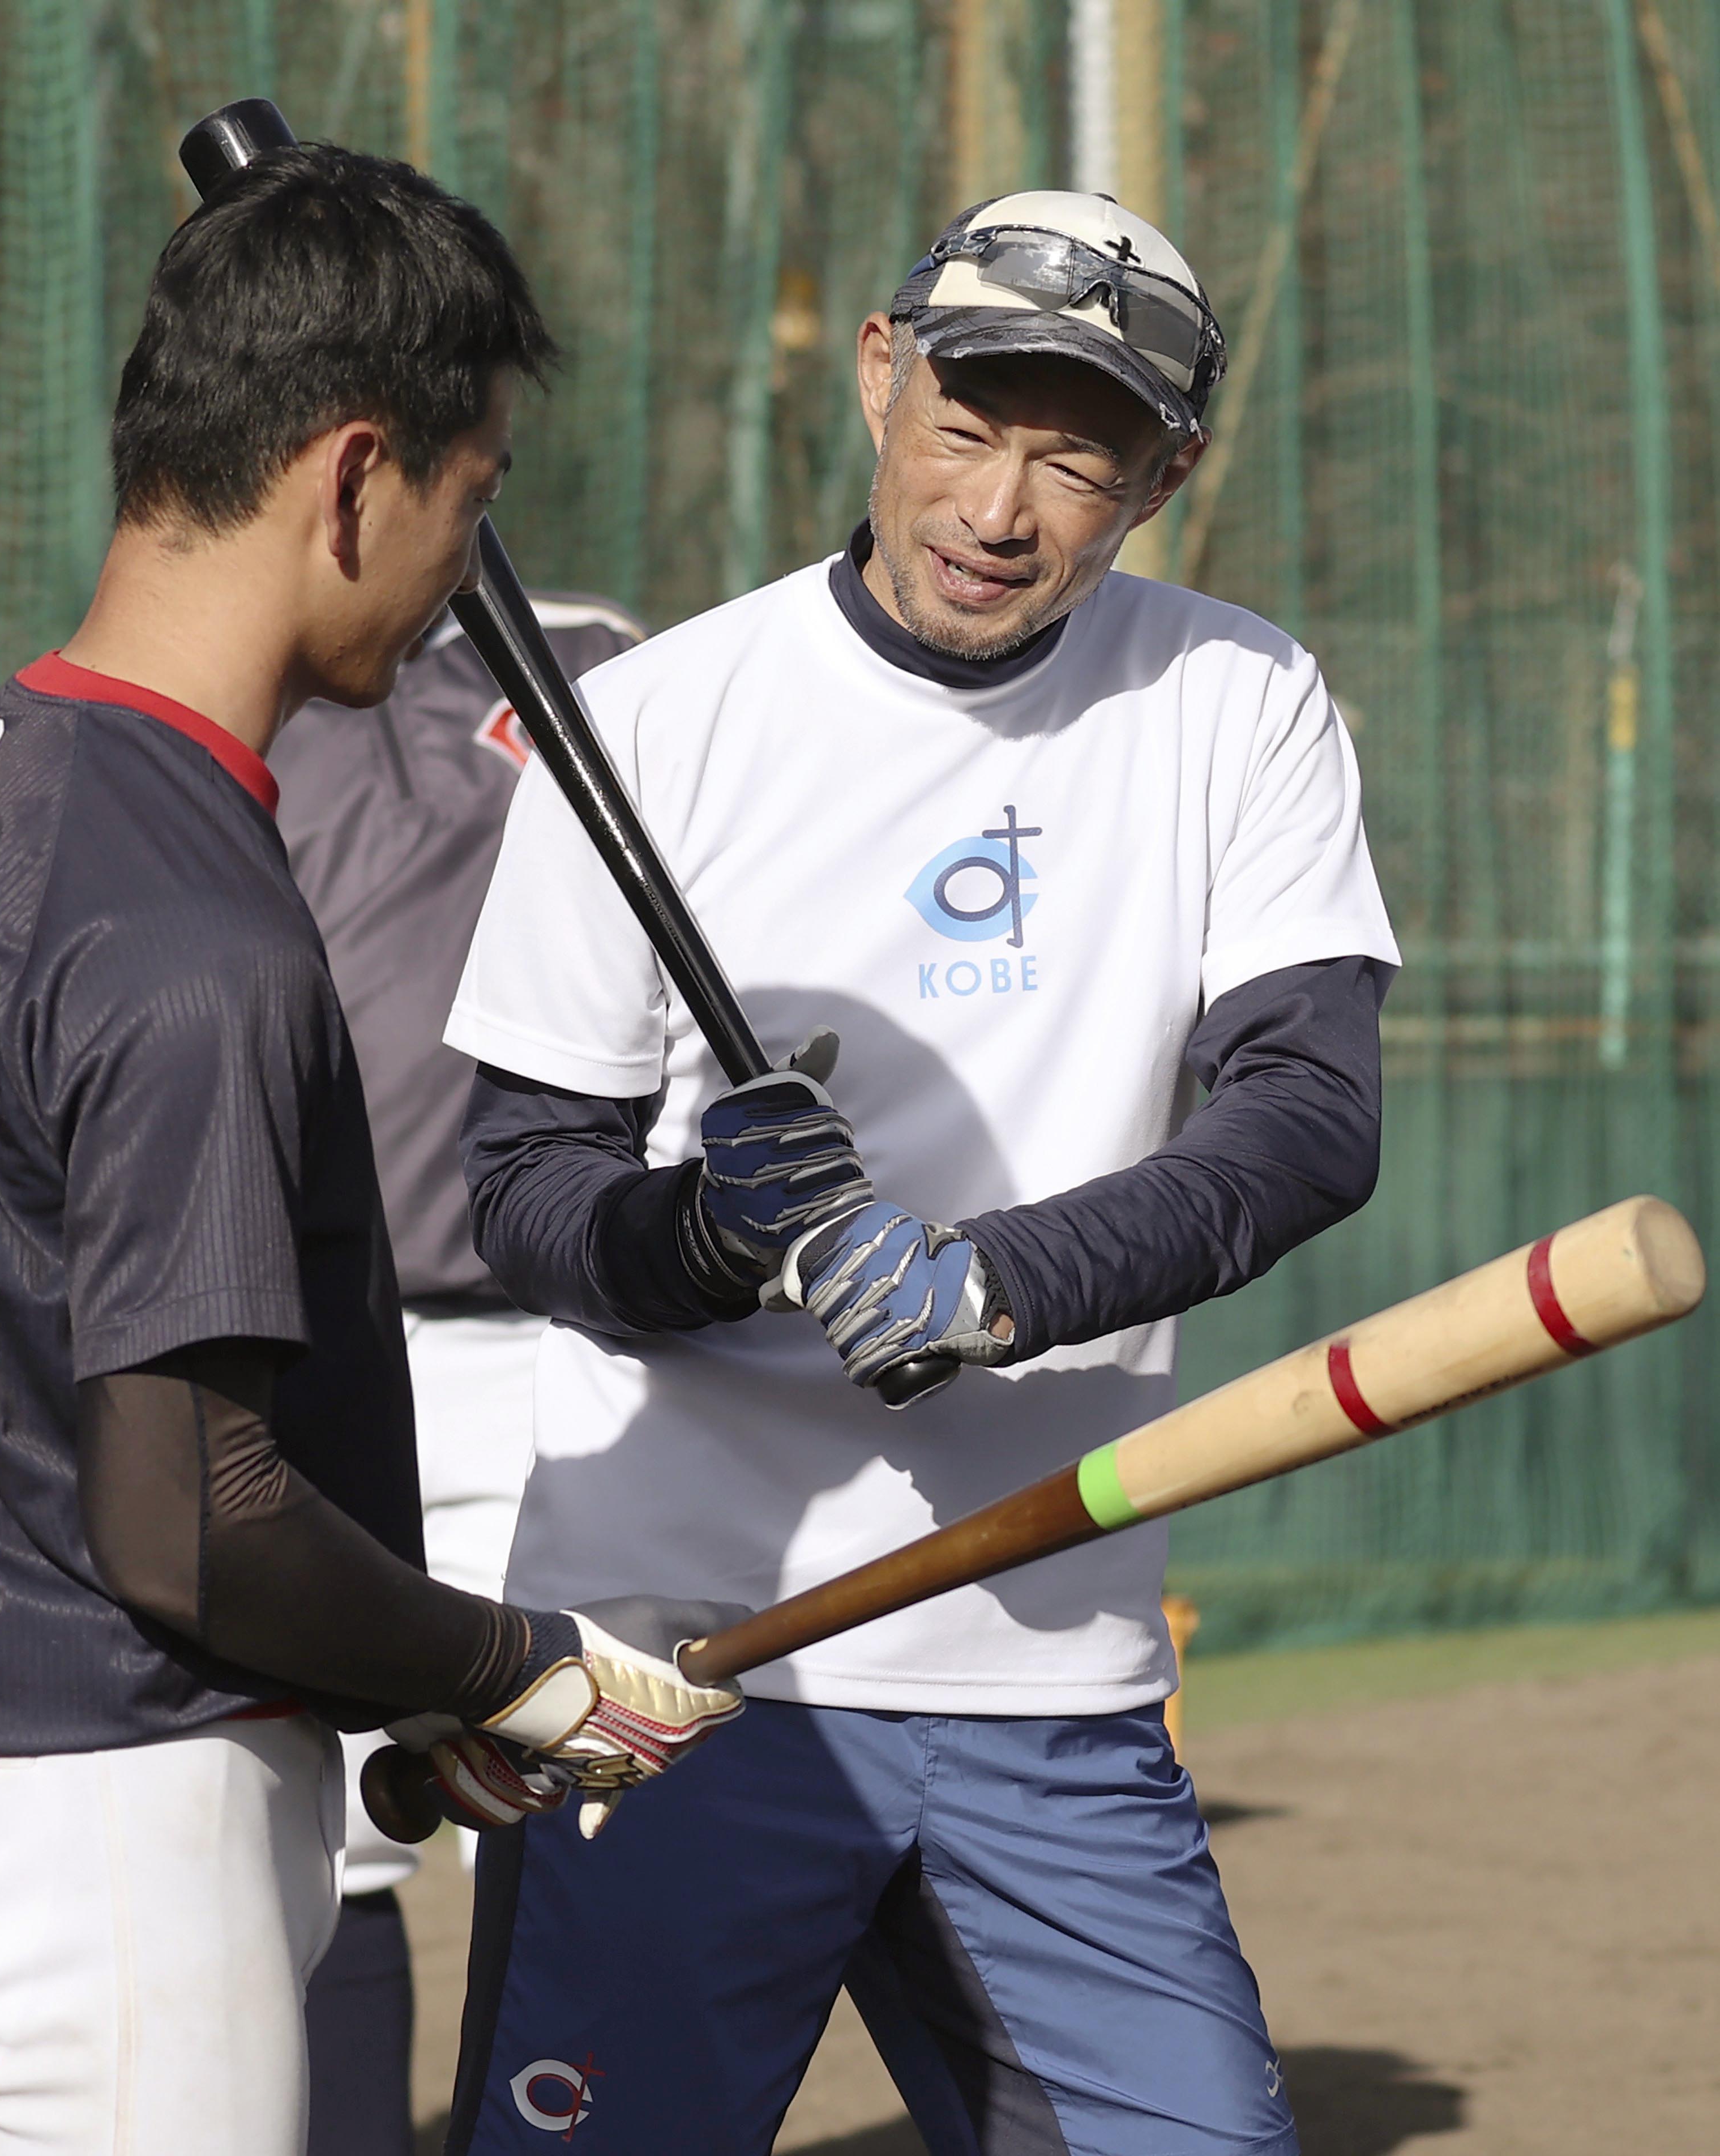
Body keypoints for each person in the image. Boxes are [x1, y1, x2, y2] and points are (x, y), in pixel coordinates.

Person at [442, 191, 1401, 2154]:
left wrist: (989, 1283)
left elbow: (1305, 1115)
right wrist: (703, 1238)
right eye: (969, 424)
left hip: (1041, 1665)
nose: (1002, 504)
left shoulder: (1237, 701)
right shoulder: (648, 723)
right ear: (882, 377)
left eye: (1080, 454)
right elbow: (523, 1188)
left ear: (1163, 473)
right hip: (676, 1661)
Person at [0, 143, 739, 2156]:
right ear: (354, 474)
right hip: (99, 1842)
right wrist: (512, 1661)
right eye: (471, 493)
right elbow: (192, 1519)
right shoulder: (189, 925)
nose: (472, 557)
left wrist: (420, 1687)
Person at [270, 591, 645, 2156]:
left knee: (560, 1824)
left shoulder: (594, 658)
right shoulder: (237, 669)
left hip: (548, 1352)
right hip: (301, 1354)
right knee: (333, 1845)